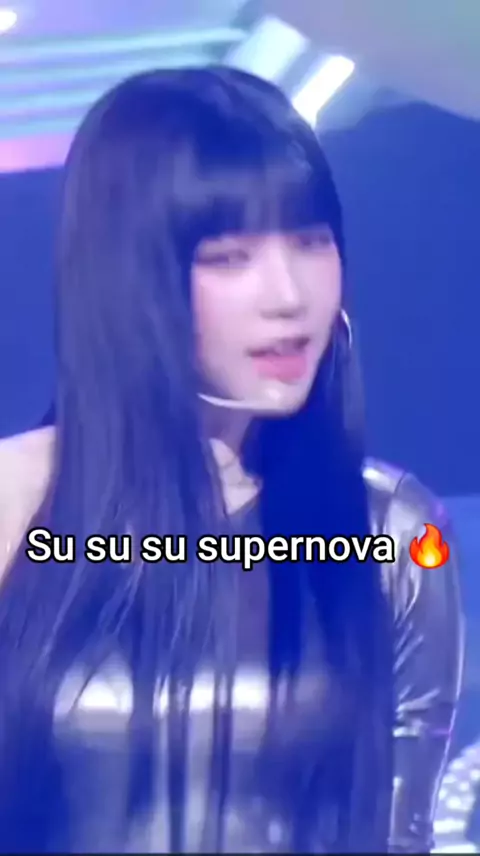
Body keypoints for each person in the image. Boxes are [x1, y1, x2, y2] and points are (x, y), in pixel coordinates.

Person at [0, 66, 463, 853]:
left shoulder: (391, 531)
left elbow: (397, 832)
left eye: (311, 242)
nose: (288, 295)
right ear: (128, 280)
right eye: (229, 256)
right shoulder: (19, 503)